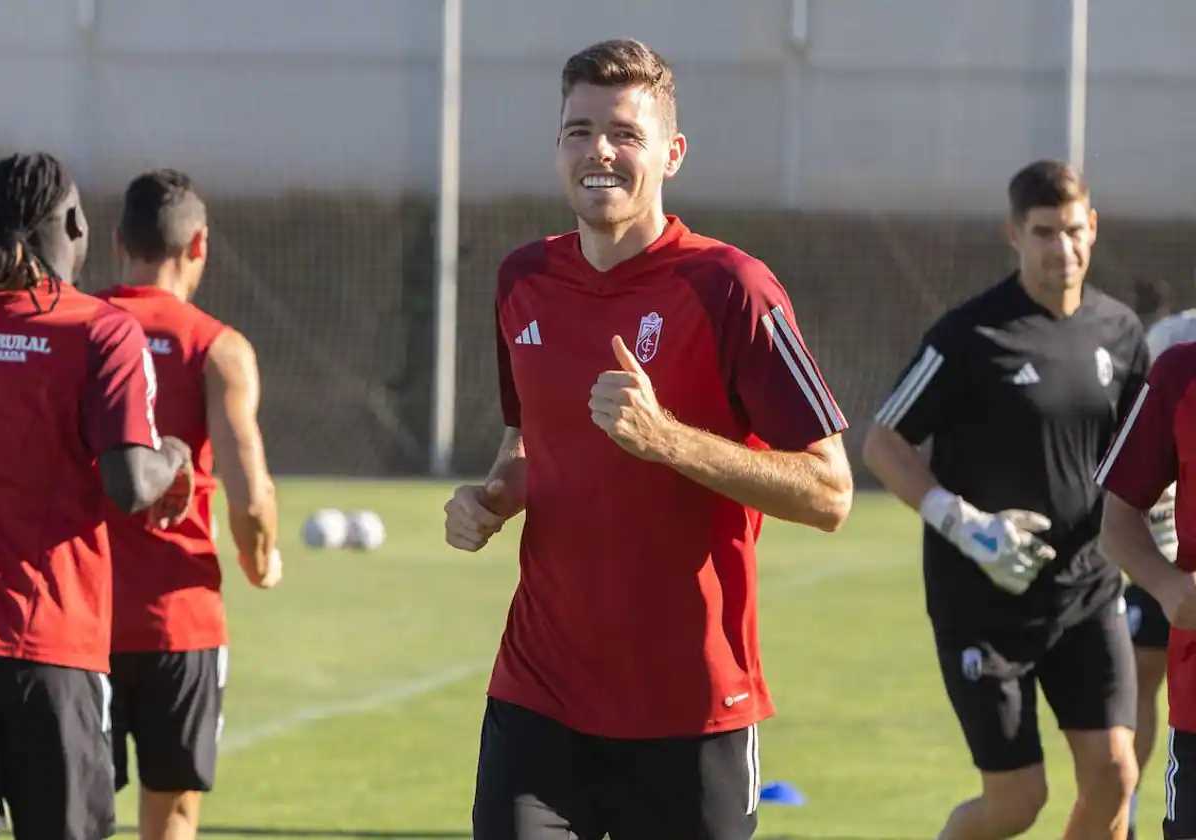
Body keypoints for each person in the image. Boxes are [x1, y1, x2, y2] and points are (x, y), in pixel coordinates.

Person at [443, 39, 852, 840]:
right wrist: (492, 499)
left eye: (625, 133)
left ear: (672, 154)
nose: (600, 150)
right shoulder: (522, 280)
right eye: (579, 130)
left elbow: (832, 492)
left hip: (693, 710)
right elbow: (526, 442)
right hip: (540, 697)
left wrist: (669, 440)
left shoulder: (733, 288)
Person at [862, 159, 1147, 839]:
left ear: (1093, 228)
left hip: (1088, 594)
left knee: (1114, 773)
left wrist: (1155, 515)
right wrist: (961, 523)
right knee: (1018, 803)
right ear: (1013, 235)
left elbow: (1141, 452)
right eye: (1044, 232)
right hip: (984, 604)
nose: (1063, 248)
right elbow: (882, 441)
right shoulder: (970, 336)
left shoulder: (1122, 332)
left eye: (1074, 230)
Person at [0, 152, 192, 840]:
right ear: (76, 224)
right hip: (48, 648)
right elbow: (131, 485)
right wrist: (173, 456)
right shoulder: (100, 329)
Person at [96, 169, 281, 840]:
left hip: (80, 616)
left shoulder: (78, 332)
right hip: (181, 619)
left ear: (118, 242)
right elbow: (250, 490)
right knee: (172, 811)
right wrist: (260, 558)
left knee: (67, 811)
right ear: (198, 244)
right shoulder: (219, 348)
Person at [1097, 312, 1196, 840]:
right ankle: (1127, 817)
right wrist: (1166, 584)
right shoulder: (1179, 368)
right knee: (1140, 675)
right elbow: (1117, 518)